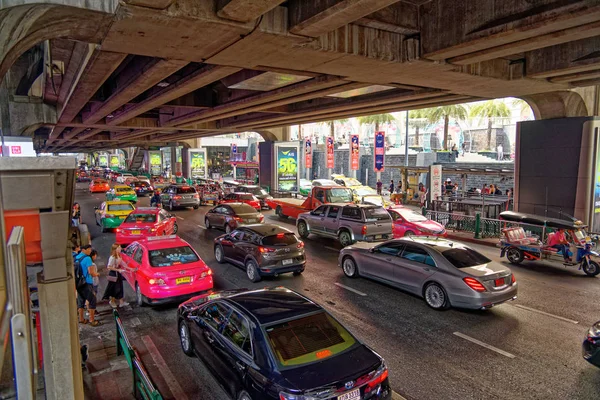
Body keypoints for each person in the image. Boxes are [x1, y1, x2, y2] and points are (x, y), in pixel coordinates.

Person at [75, 247, 101, 326]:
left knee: (81, 300)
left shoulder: (76, 257)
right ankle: (92, 320)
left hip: (78, 282)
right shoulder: (87, 259)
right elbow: (91, 272)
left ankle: (81, 319)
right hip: (86, 282)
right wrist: (97, 274)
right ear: (83, 250)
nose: (90, 251)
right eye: (88, 249)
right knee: (92, 300)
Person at [103, 243, 130, 308]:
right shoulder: (112, 257)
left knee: (120, 287)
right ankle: (112, 301)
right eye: (119, 247)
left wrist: (130, 269)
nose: (120, 248)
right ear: (115, 249)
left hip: (118, 273)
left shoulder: (119, 255)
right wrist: (118, 270)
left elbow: (122, 263)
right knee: (114, 288)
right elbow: (109, 267)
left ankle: (121, 302)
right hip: (113, 274)